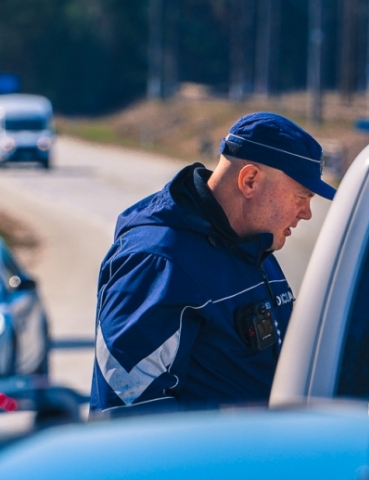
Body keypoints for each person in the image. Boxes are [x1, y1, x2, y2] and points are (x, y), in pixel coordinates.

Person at [90, 112, 336, 412]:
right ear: (250, 180)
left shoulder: (252, 246)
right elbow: (127, 414)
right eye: (301, 196)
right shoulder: (157, 262)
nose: (306, 213)